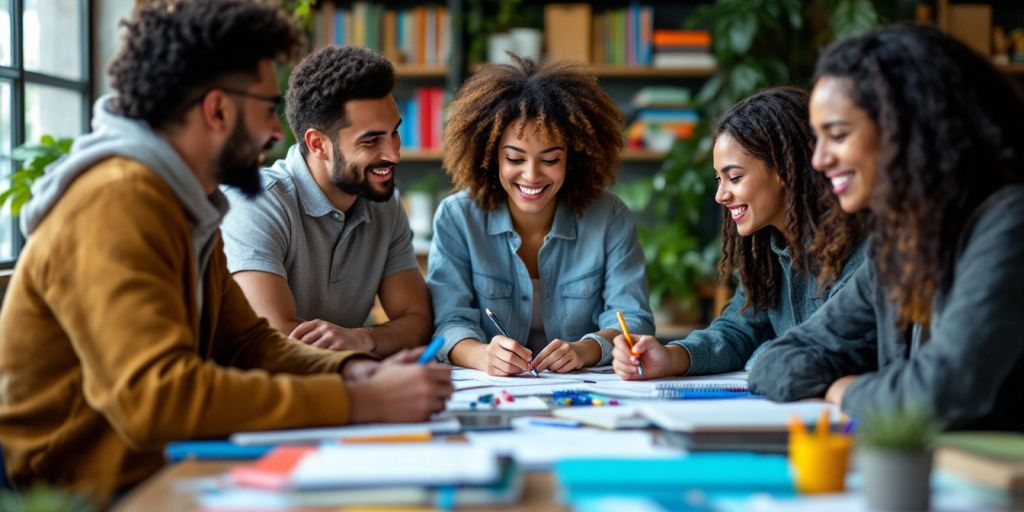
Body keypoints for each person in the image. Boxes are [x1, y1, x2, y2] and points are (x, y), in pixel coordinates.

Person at [0, 1, 451, 502]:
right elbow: (157, 398)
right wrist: (358, 400)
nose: (276, 133)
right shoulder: (117, 200)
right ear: (217, 110)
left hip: (164, 461)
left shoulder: (184, 202)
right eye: (264, 110)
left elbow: (249, 342)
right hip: (84, 489)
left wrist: (354, 369)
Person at [749, 24, 1024, 430]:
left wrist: (847, 392)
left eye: (837, 135)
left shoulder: (1008, 222)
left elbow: (941, 393)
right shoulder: (898, 247)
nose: (819, 160)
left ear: (908, 129)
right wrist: (875, 390)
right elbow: (775, 361)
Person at [611, 87, 865, 380]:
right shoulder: (767, 251)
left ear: (784, 170)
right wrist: (670, 357)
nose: (720, 195)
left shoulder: (855, 248)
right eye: (719, 179)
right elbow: (737, 330)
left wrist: (761, 355)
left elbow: (826, 352)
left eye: (734, 177)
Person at [428, 55, 654, 376]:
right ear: (491, 157)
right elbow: (448, 322)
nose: (531, 175)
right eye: (515, 159)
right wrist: (481, 355)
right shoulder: (457, 218)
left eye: (550, 159)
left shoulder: (609, 217)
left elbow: (632, 318)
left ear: (573, 159)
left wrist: (586, 349)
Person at [221, 45, 431, 357]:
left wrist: (362, 339)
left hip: (336, 386)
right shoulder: (256, 202)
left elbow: (418, 321)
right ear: (318, 144)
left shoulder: (385, 204)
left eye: (394, 133)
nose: (394, 154)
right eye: (371, 140)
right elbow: (275, 342)